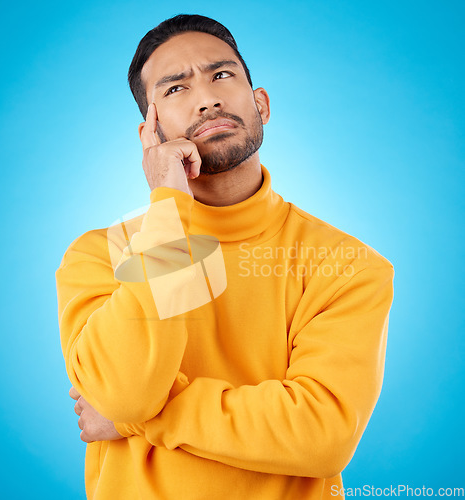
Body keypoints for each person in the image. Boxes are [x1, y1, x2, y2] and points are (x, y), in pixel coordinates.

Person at [56, 14, 394, 500]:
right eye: (175, 90)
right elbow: (127, 391)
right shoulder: (97, 257)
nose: (207, 97)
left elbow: (323, 435)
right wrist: (169, 207)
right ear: (150, 133)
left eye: (221, 75)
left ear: (261, 103)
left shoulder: (346, 264)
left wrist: (136, 422)